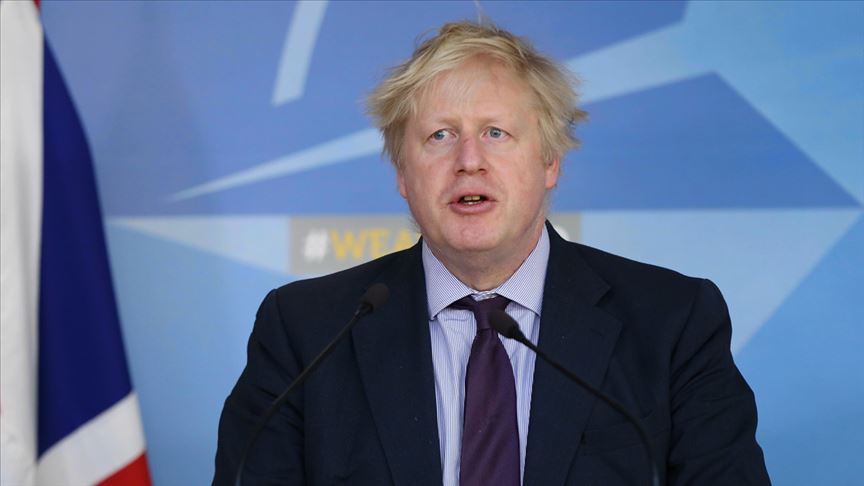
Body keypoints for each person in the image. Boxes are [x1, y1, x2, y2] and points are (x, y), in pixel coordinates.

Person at [214, 21, 770, 485]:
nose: (469, 161)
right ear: (402, 173)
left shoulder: (672, 321)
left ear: (550, 162)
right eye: (439, 135)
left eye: (496, 133)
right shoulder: (306, 331)